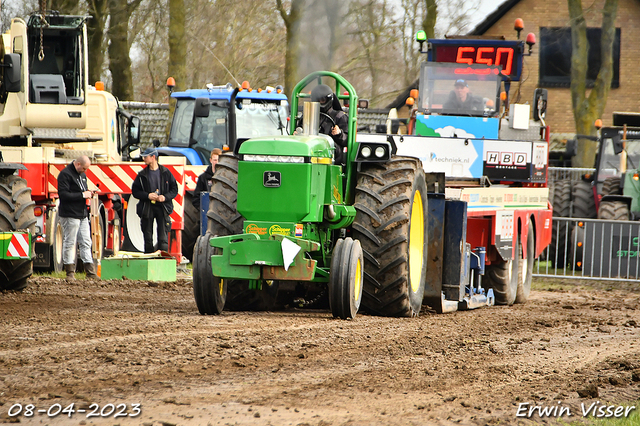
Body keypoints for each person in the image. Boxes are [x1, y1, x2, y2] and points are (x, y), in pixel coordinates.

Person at [57, 155, 99, 280]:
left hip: (82, 214)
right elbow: (63, 195)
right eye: (84, 168)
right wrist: (82, 195)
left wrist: (88, 193)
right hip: (70, 214)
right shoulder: (65, 175)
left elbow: (82, 191)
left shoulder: (82, 175)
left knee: (86, 241)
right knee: (70, 242)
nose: (85, 171)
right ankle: (70, 272)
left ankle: (90, 272)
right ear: (78, 164)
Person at [132, 148, 178, 253]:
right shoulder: (142, 175)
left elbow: (174, 189)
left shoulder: (166, 172)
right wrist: (147, 196)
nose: (143, 159)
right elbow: (135, 191)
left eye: (146, 156)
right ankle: (149, 257)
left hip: (162, 207)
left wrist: (164, 197)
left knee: (163, 236)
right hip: (147, 208)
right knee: (147, 236)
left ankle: (162, 258)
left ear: (153, 157)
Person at [310, 84, 348, 164]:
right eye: (317, 100)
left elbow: (347, 139)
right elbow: (299, 129)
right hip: (310, 148)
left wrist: (339, 134)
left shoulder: (339, 116)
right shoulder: (308, 115)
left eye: (322, 100)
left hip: (332, 153)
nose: (320, 103)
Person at [192, 148, 222, 212]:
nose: (217, 163)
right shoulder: (203, 178)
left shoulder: (225, 179)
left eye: (219, 160)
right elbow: (196, 199)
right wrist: (203, 210)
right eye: (215, 160)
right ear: (210, 160)